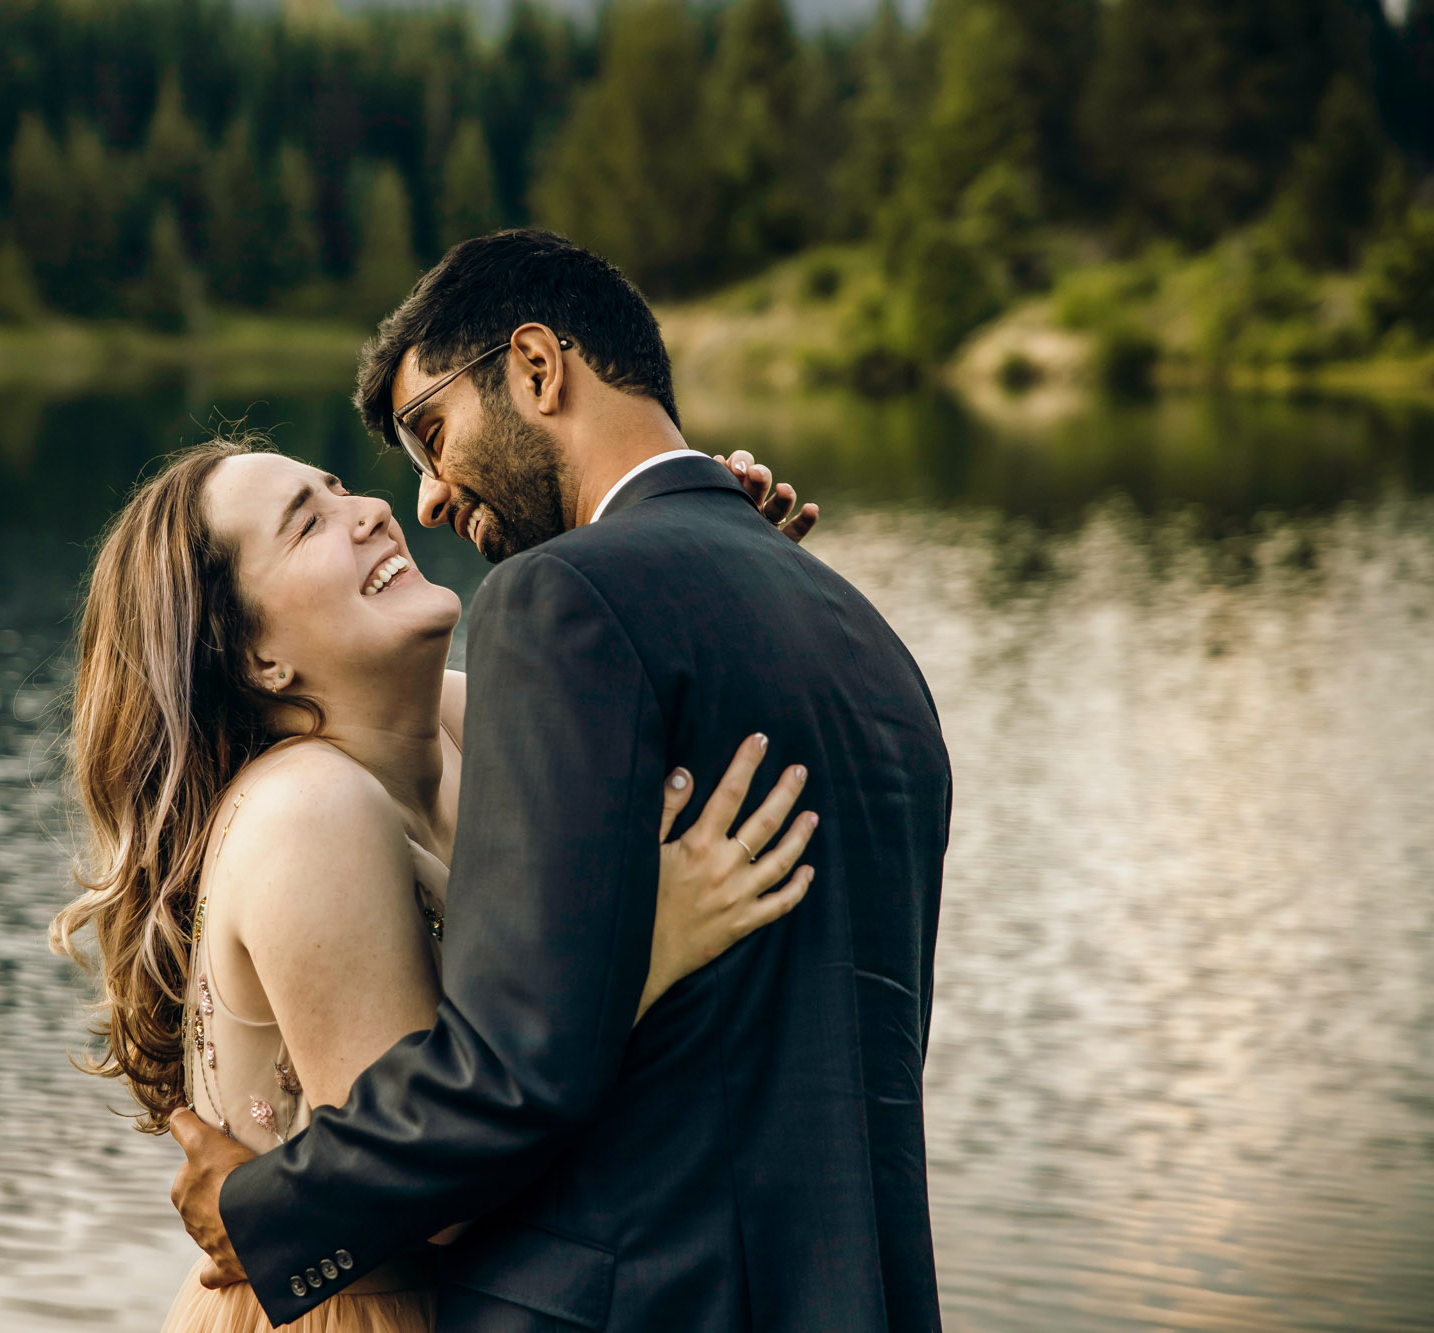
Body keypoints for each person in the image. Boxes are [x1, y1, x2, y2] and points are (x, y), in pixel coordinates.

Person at [167, 230, 951, 1332]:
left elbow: (513, 1065)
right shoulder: (865, 641)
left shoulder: (561, 603)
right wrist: (717, 557)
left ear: (536, 369)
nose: (424, 498)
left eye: (430, 433)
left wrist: (265, 1211)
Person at [51, 433, 820, 1332]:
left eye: (338, 488)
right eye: (308, 526)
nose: (373, 509)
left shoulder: (461, 715)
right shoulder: (312, 808)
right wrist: (645, 954)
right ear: (260, 660)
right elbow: (434, 1198)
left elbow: (663, 743)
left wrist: (710, 567)